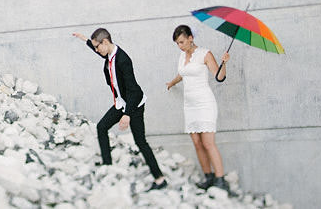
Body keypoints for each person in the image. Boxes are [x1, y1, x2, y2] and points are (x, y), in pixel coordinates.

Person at [72, 28, 167, 191]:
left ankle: (159, 179)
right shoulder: (108, 53)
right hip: (121, 103)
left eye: (97, 46)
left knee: (140, 142)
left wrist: (127, 115)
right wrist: (85, 40)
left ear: (106, 42)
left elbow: (132, 90)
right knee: (101, 127)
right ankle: (107, 167)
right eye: (94, 47)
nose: (97, 50)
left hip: (134, 104)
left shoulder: (123, 60)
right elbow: (99, 52)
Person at [165, 24, 230, 192]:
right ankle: (208, 177)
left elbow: (219, 77)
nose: (180, 46)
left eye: (181, 42)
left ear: (190, 38)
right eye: (177, 43)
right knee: (197, 143)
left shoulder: (205, 54)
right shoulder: (182, 55)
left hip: (205, 103)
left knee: (208, 143)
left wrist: (224, 63)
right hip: (190, 105)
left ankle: (221, 180)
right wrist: (172, 82)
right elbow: (183, 73)